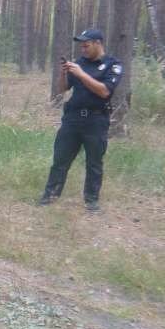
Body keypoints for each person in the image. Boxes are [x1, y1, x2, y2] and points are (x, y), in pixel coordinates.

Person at [38, 28, 123, 212]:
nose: (83, 49)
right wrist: (63, 74)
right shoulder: (79, 63)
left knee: (94, 162)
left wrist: (81, 74)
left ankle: (91, 201)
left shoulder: (112, 64)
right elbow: (62, 89)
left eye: (86, 45)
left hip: (96, 120)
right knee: (60, 159)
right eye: (81, 46)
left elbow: (104, 91)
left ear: (98, 43)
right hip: (72, 119)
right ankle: (50, 195)